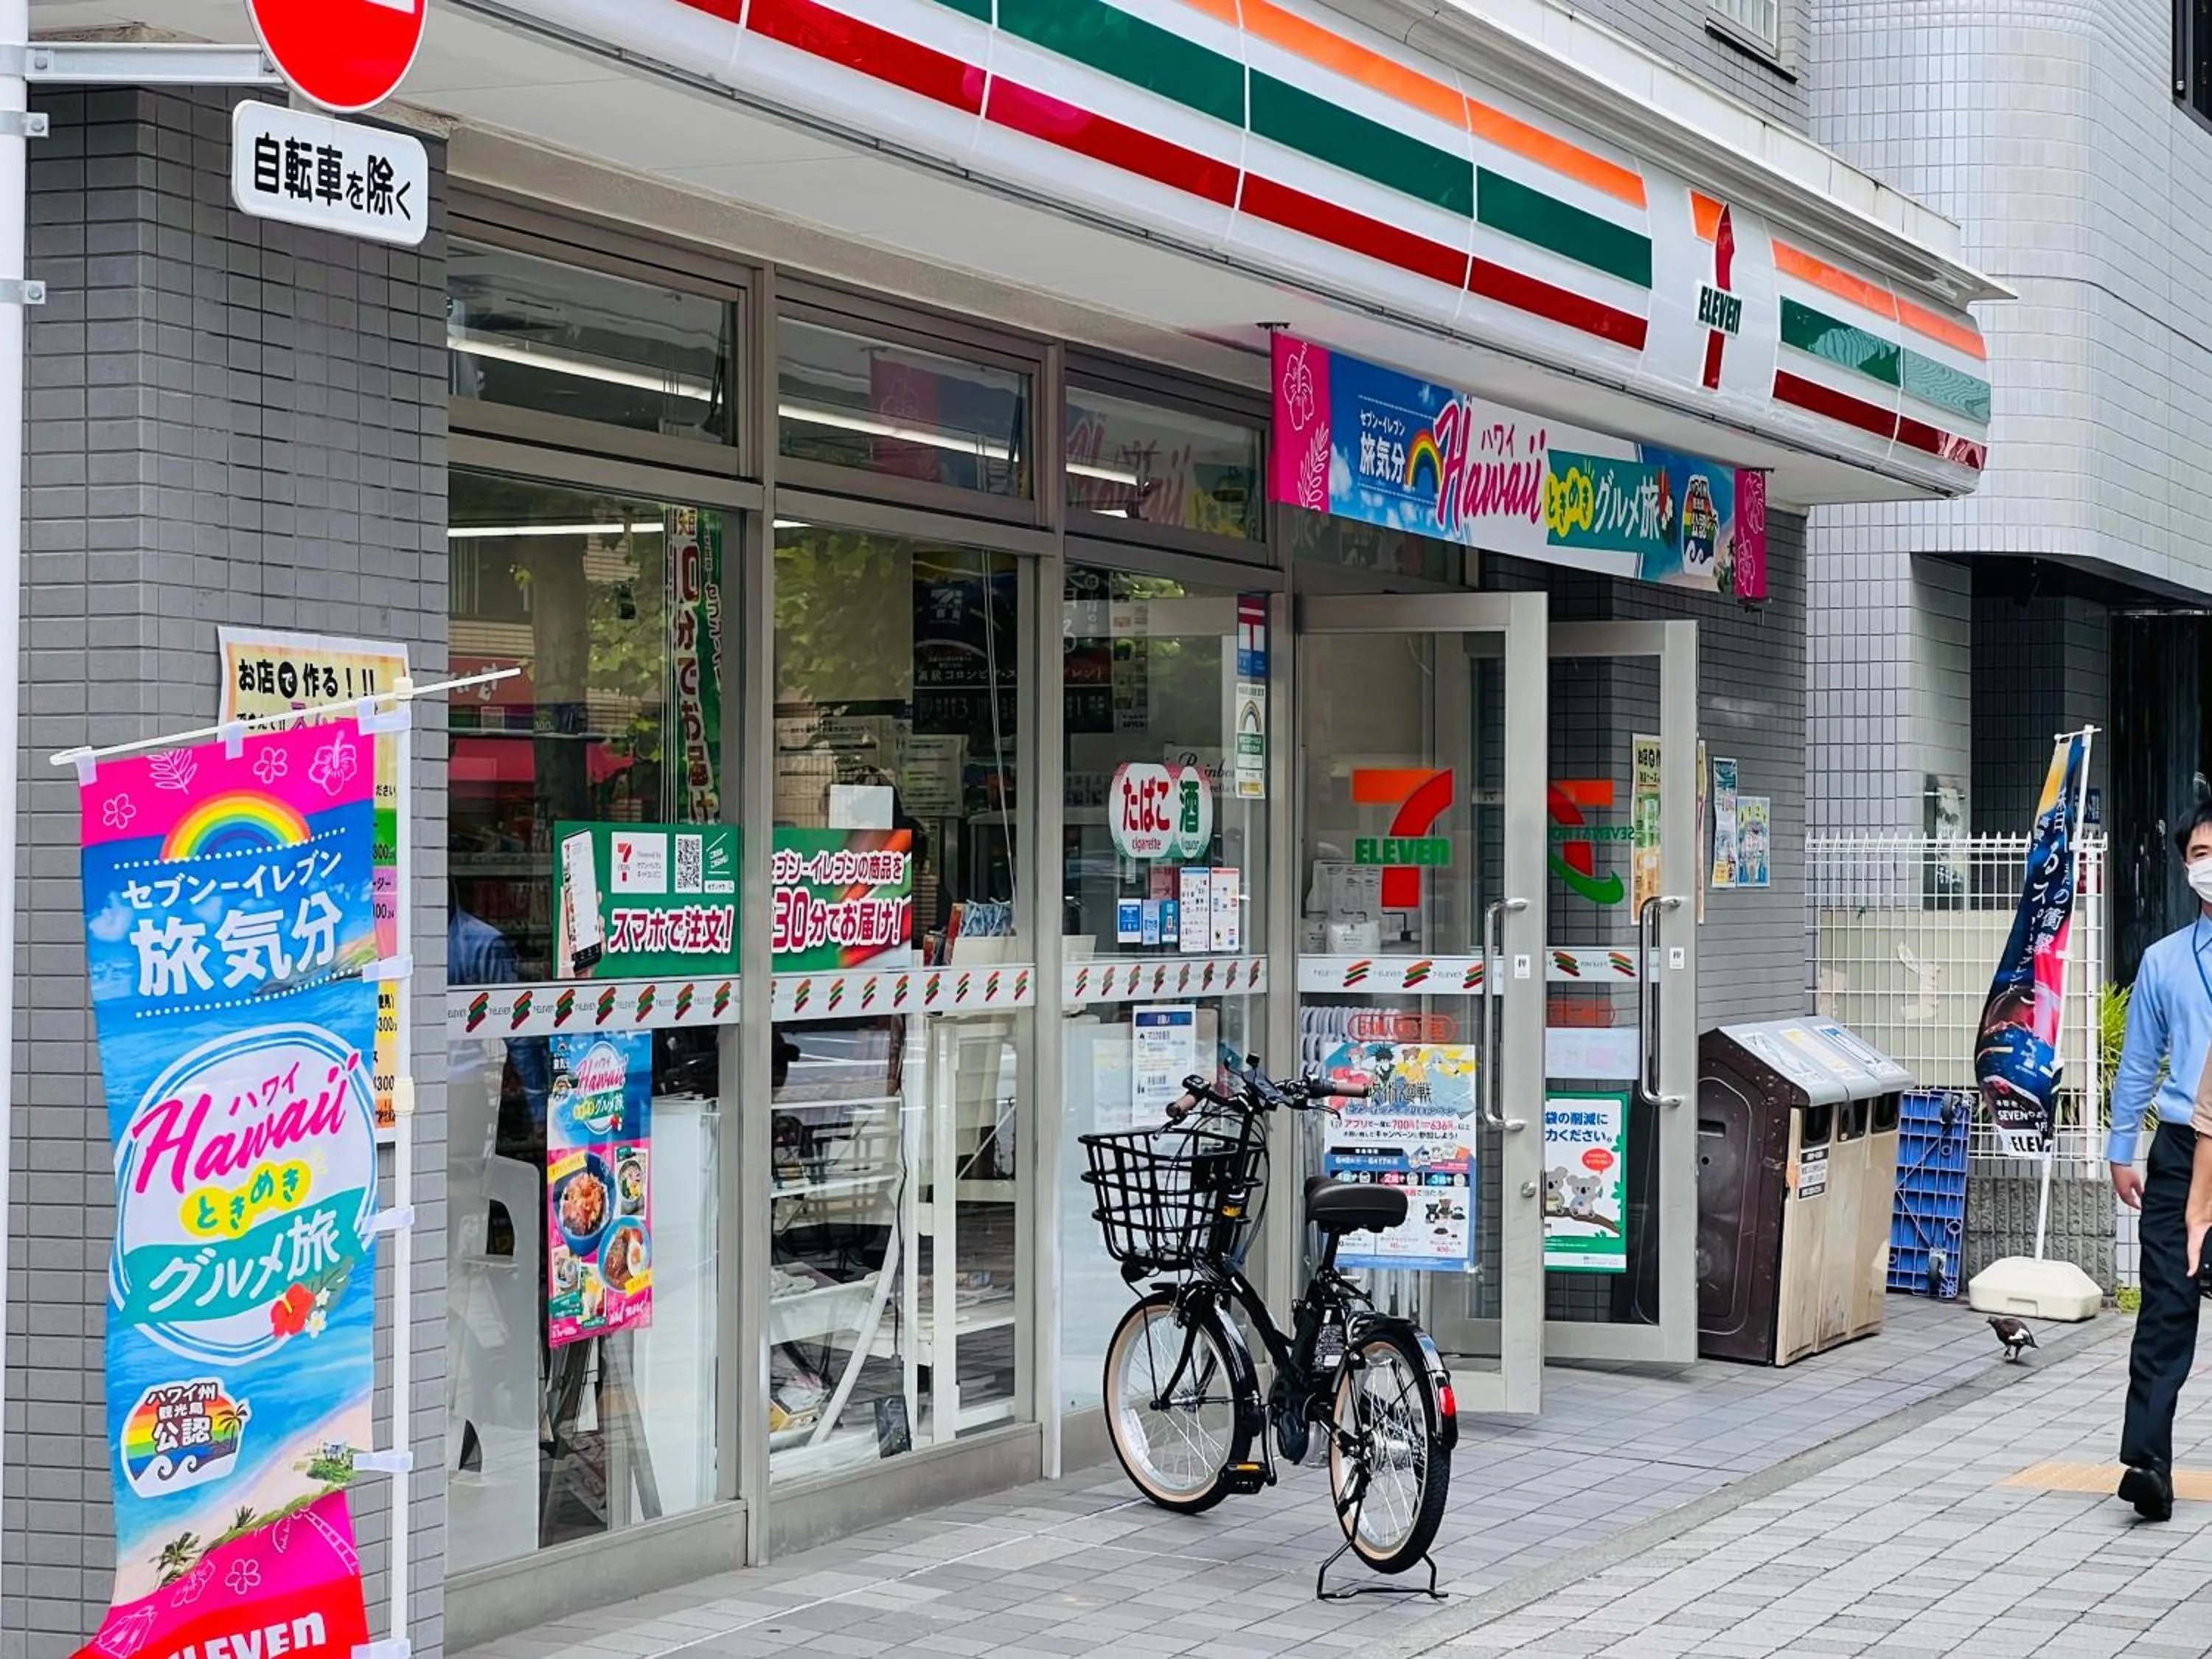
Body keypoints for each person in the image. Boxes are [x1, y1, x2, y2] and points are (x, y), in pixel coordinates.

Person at [2108, 801, 2212, 1520]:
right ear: (2185, 866)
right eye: (2200, 851)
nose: (2210, 863)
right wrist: (2122, 1149)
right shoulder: (2164, 960)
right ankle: (2148, 1462)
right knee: (2166, 1309)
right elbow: (2140, 1063)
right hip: (2179, 1148)